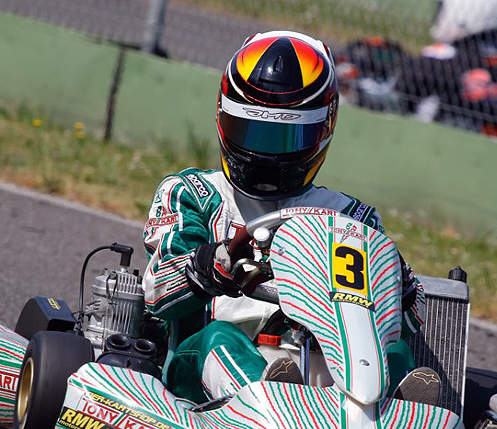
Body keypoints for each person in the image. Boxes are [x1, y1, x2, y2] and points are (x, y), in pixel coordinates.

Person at [142, 30, 435, 406]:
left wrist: (401, 289)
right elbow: (155, 295)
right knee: (221, 339)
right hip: (206, 369)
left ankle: (405, 422)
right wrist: (207, 267)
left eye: (284, 138)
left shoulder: (350, 218)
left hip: (327, 370)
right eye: (251, 131)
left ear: (323, 128)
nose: (263, 155)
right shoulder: (192, 193)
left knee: (397, 357)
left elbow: (404, 328)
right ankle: (263, 400)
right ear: (223, 115)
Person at [340, 0, 497, 144]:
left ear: (463, 10)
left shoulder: (438, 62)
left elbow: (394, 103)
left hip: (433, 151)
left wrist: (353, 84)